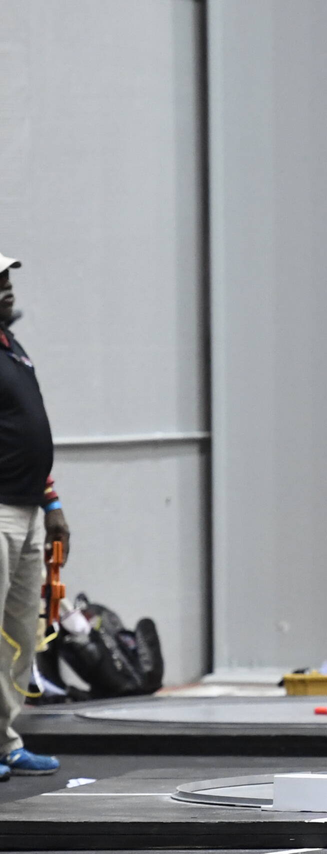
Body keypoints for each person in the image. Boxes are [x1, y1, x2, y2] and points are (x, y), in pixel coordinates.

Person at [0, 251, 67, 781]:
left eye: (7, 281)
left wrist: (54, 505)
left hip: (26, 510)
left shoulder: (13, 349)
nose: (7, 290)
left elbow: (28, 434)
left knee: (20, 631)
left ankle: (5, 741)